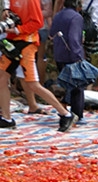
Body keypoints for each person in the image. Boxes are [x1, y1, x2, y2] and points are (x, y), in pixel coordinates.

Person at [0, 0, 77, 131]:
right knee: (2, 79)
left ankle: (65, 114)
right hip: (12, 41)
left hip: (27, 43)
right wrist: (6, 12)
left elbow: (38, 23)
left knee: (32, 84)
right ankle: (6, 118)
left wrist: (17, 30)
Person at [50, 0, 86, 122]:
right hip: (71, 55)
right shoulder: (76, 17)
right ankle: (77, 114)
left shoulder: (58, 15)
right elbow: (74, 38)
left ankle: (65, 109)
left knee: (67, 85)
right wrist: (78, 57)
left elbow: (51, 33)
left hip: (59, 54)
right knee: (78, 86)